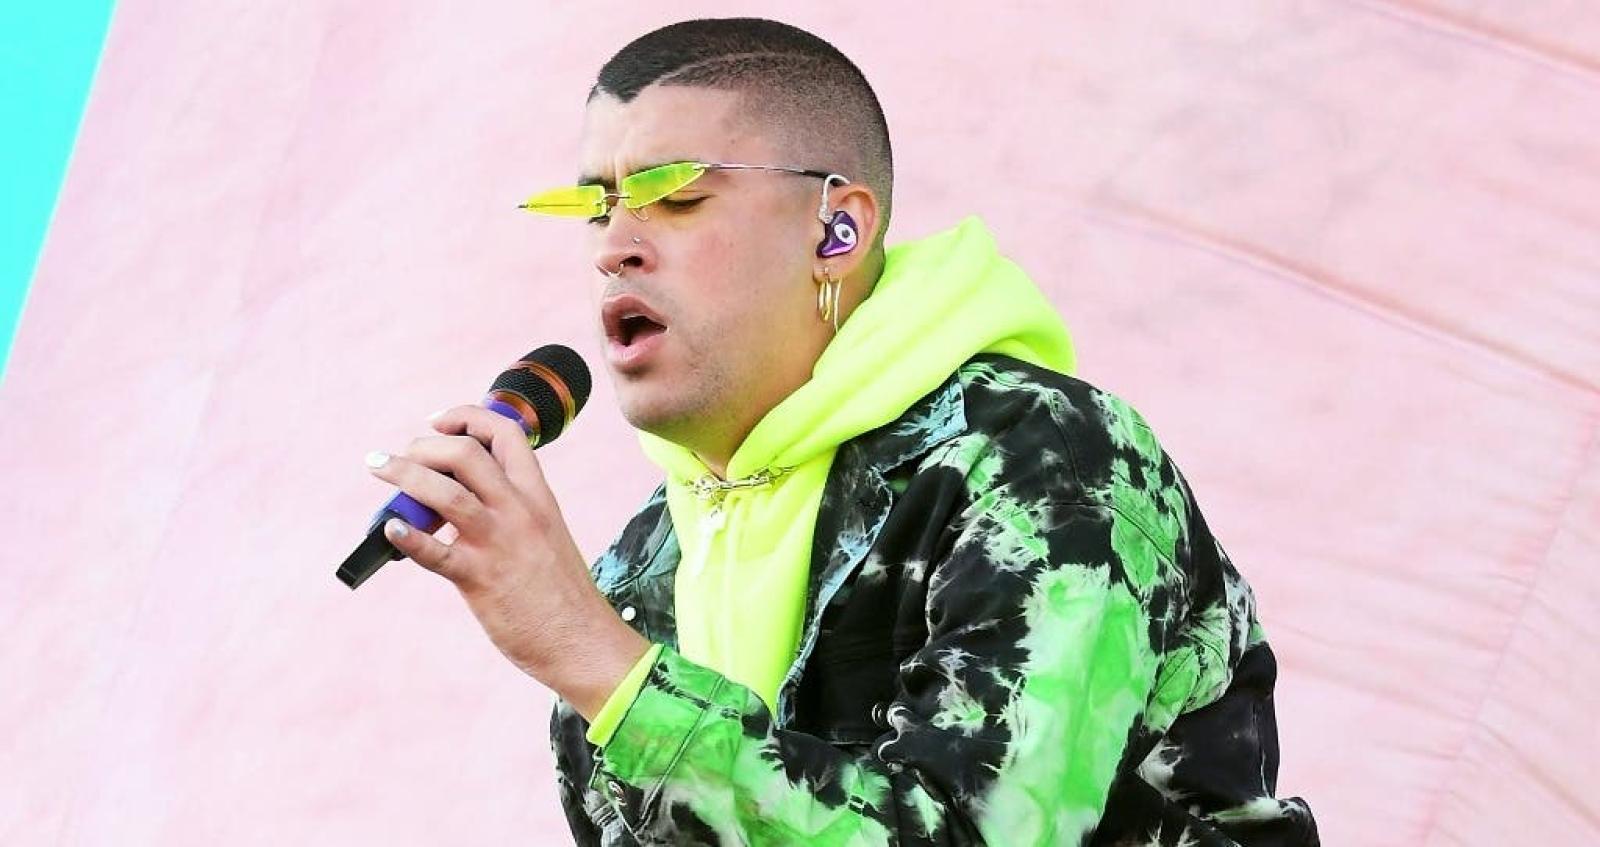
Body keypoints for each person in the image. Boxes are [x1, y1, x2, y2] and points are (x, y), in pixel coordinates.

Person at [364, 17, 1319, 846]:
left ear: (837, 230)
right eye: (594, 207)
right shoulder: (649, 561)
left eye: (677, 196)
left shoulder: (1046, 460)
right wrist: (595, 656)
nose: (616, 246)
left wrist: (597, 660)